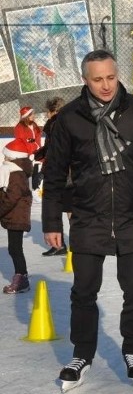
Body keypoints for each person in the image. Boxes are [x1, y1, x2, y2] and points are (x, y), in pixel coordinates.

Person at [42, 49, 133, 392]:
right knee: (83, 291)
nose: (106, 85)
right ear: (85, 80)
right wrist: (52, 222)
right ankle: (82, 353)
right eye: (97, 79)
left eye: (111, 77)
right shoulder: (69, 119)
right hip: (87, 216)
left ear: (117, 73)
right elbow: (53, 175)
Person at [0, 139, 37, 294]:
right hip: (15, 216)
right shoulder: (16, 172)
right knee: (14, 248)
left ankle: (21, 278)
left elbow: (11, 197)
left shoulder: (16, 174)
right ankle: (21, 277)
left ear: (13, 158)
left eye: (6, 157)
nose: (4, 159)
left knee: (15, 249)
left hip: (17, 216)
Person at [39, 97, 69, 256]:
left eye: (47, 111)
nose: (46, 115)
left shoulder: (56, 124)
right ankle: (61, 245)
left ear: (53, 111)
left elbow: (56, 149)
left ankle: (65, 245)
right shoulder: (68, 120)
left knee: (67, 206)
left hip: (62, 171)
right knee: (67, 207)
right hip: (65, 170)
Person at [14, 106, 43, 201]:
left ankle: (34, 188)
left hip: (36, 151)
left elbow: (36, 139)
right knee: (27, 172)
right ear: (26, 116)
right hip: (26, 153)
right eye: (31, 114)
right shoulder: (20, 127)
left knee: (37, 169)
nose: (34, 116)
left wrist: (37, 149)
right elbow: (22, 140)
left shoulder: (34, 125)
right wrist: (30, 150)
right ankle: (27, 190)